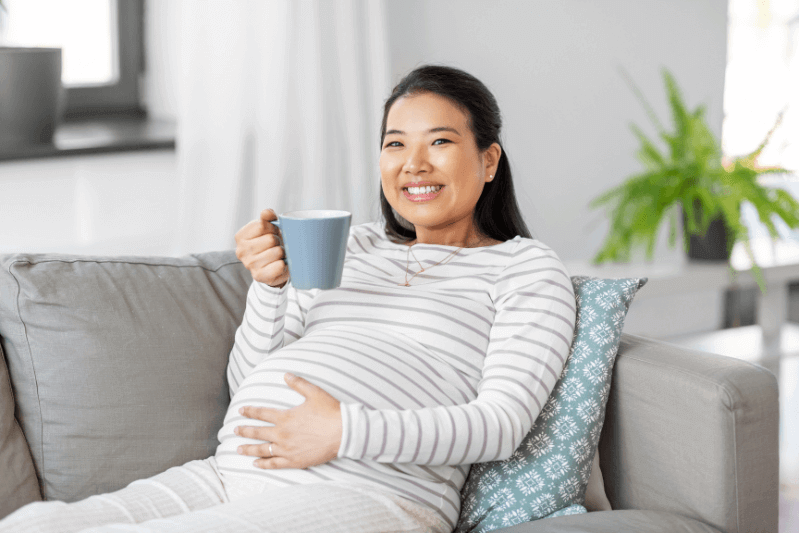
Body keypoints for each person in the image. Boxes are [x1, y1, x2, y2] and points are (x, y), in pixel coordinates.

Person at [0, 65, 576, 533]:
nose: (413, 164)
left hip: (371, 494)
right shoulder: (352, 245)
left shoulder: (524, 268)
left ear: (489, 160)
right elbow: (250, 378)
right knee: (35, 524)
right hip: (230, 473)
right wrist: (271, 289)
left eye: (440, 142)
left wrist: (344, 431)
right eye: (395, 144)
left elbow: (500, 424)